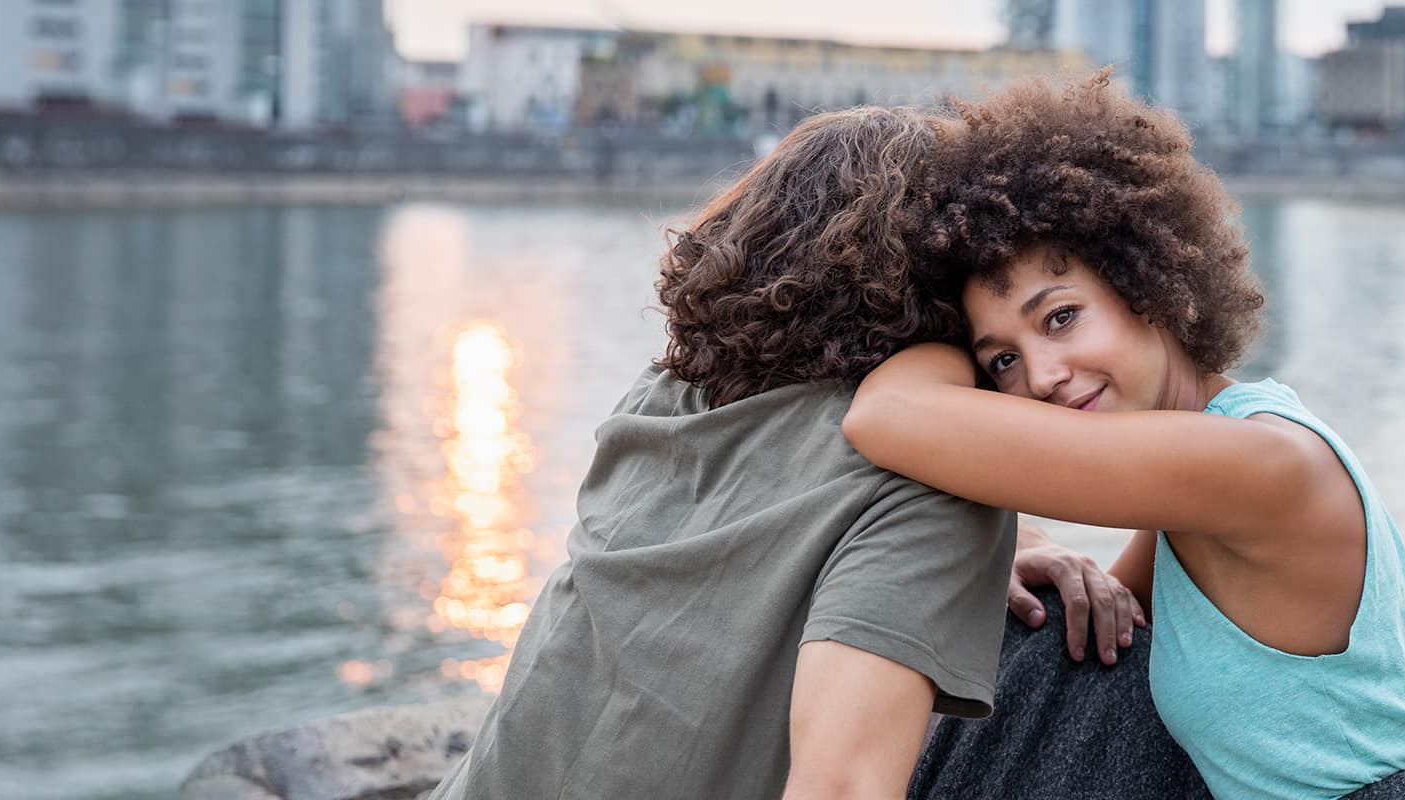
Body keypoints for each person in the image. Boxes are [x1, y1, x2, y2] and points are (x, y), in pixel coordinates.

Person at [844, 72, 1405, 799]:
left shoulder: (1254, 464)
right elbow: (1105, 608)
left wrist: (946, 349)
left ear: (1149, 286)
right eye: (1001, 359)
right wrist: (1022, 550)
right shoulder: (1199, 477)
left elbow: (884, 416)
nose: (1040, 375)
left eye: (1061, 317)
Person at [426, 105, 1017, 800]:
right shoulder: (920, 485)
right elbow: (843, 787)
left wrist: (1005, 551)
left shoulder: (666, 395)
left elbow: (754, 530)